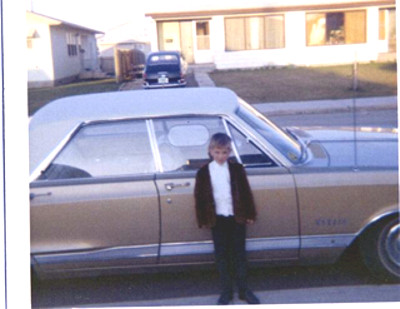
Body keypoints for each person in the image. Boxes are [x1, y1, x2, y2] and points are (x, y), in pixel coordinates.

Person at [194, 133, 260, 305]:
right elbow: (200, 197)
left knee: (239, 255)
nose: (221, 156)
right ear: (210, 151)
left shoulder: (237, 169)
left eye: (224, 152)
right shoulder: (203, 172)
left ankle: (244, 291)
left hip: (236, 218)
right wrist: (203, 218)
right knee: (222, 256)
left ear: (229, 152)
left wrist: (250, 214)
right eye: (217, 152)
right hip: (217, 219)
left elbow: (245, 192)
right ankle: (226, 292)